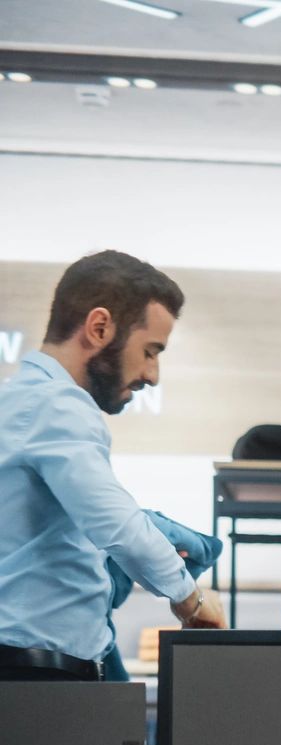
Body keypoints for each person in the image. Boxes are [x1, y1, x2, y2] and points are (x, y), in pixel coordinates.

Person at [0, 250, 225, 682]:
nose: (153, 374)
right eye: (150, 351)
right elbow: (117, 525)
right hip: (41, 679)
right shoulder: (57, 404)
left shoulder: (21, 399)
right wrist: (190, 599)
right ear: (99, 327)